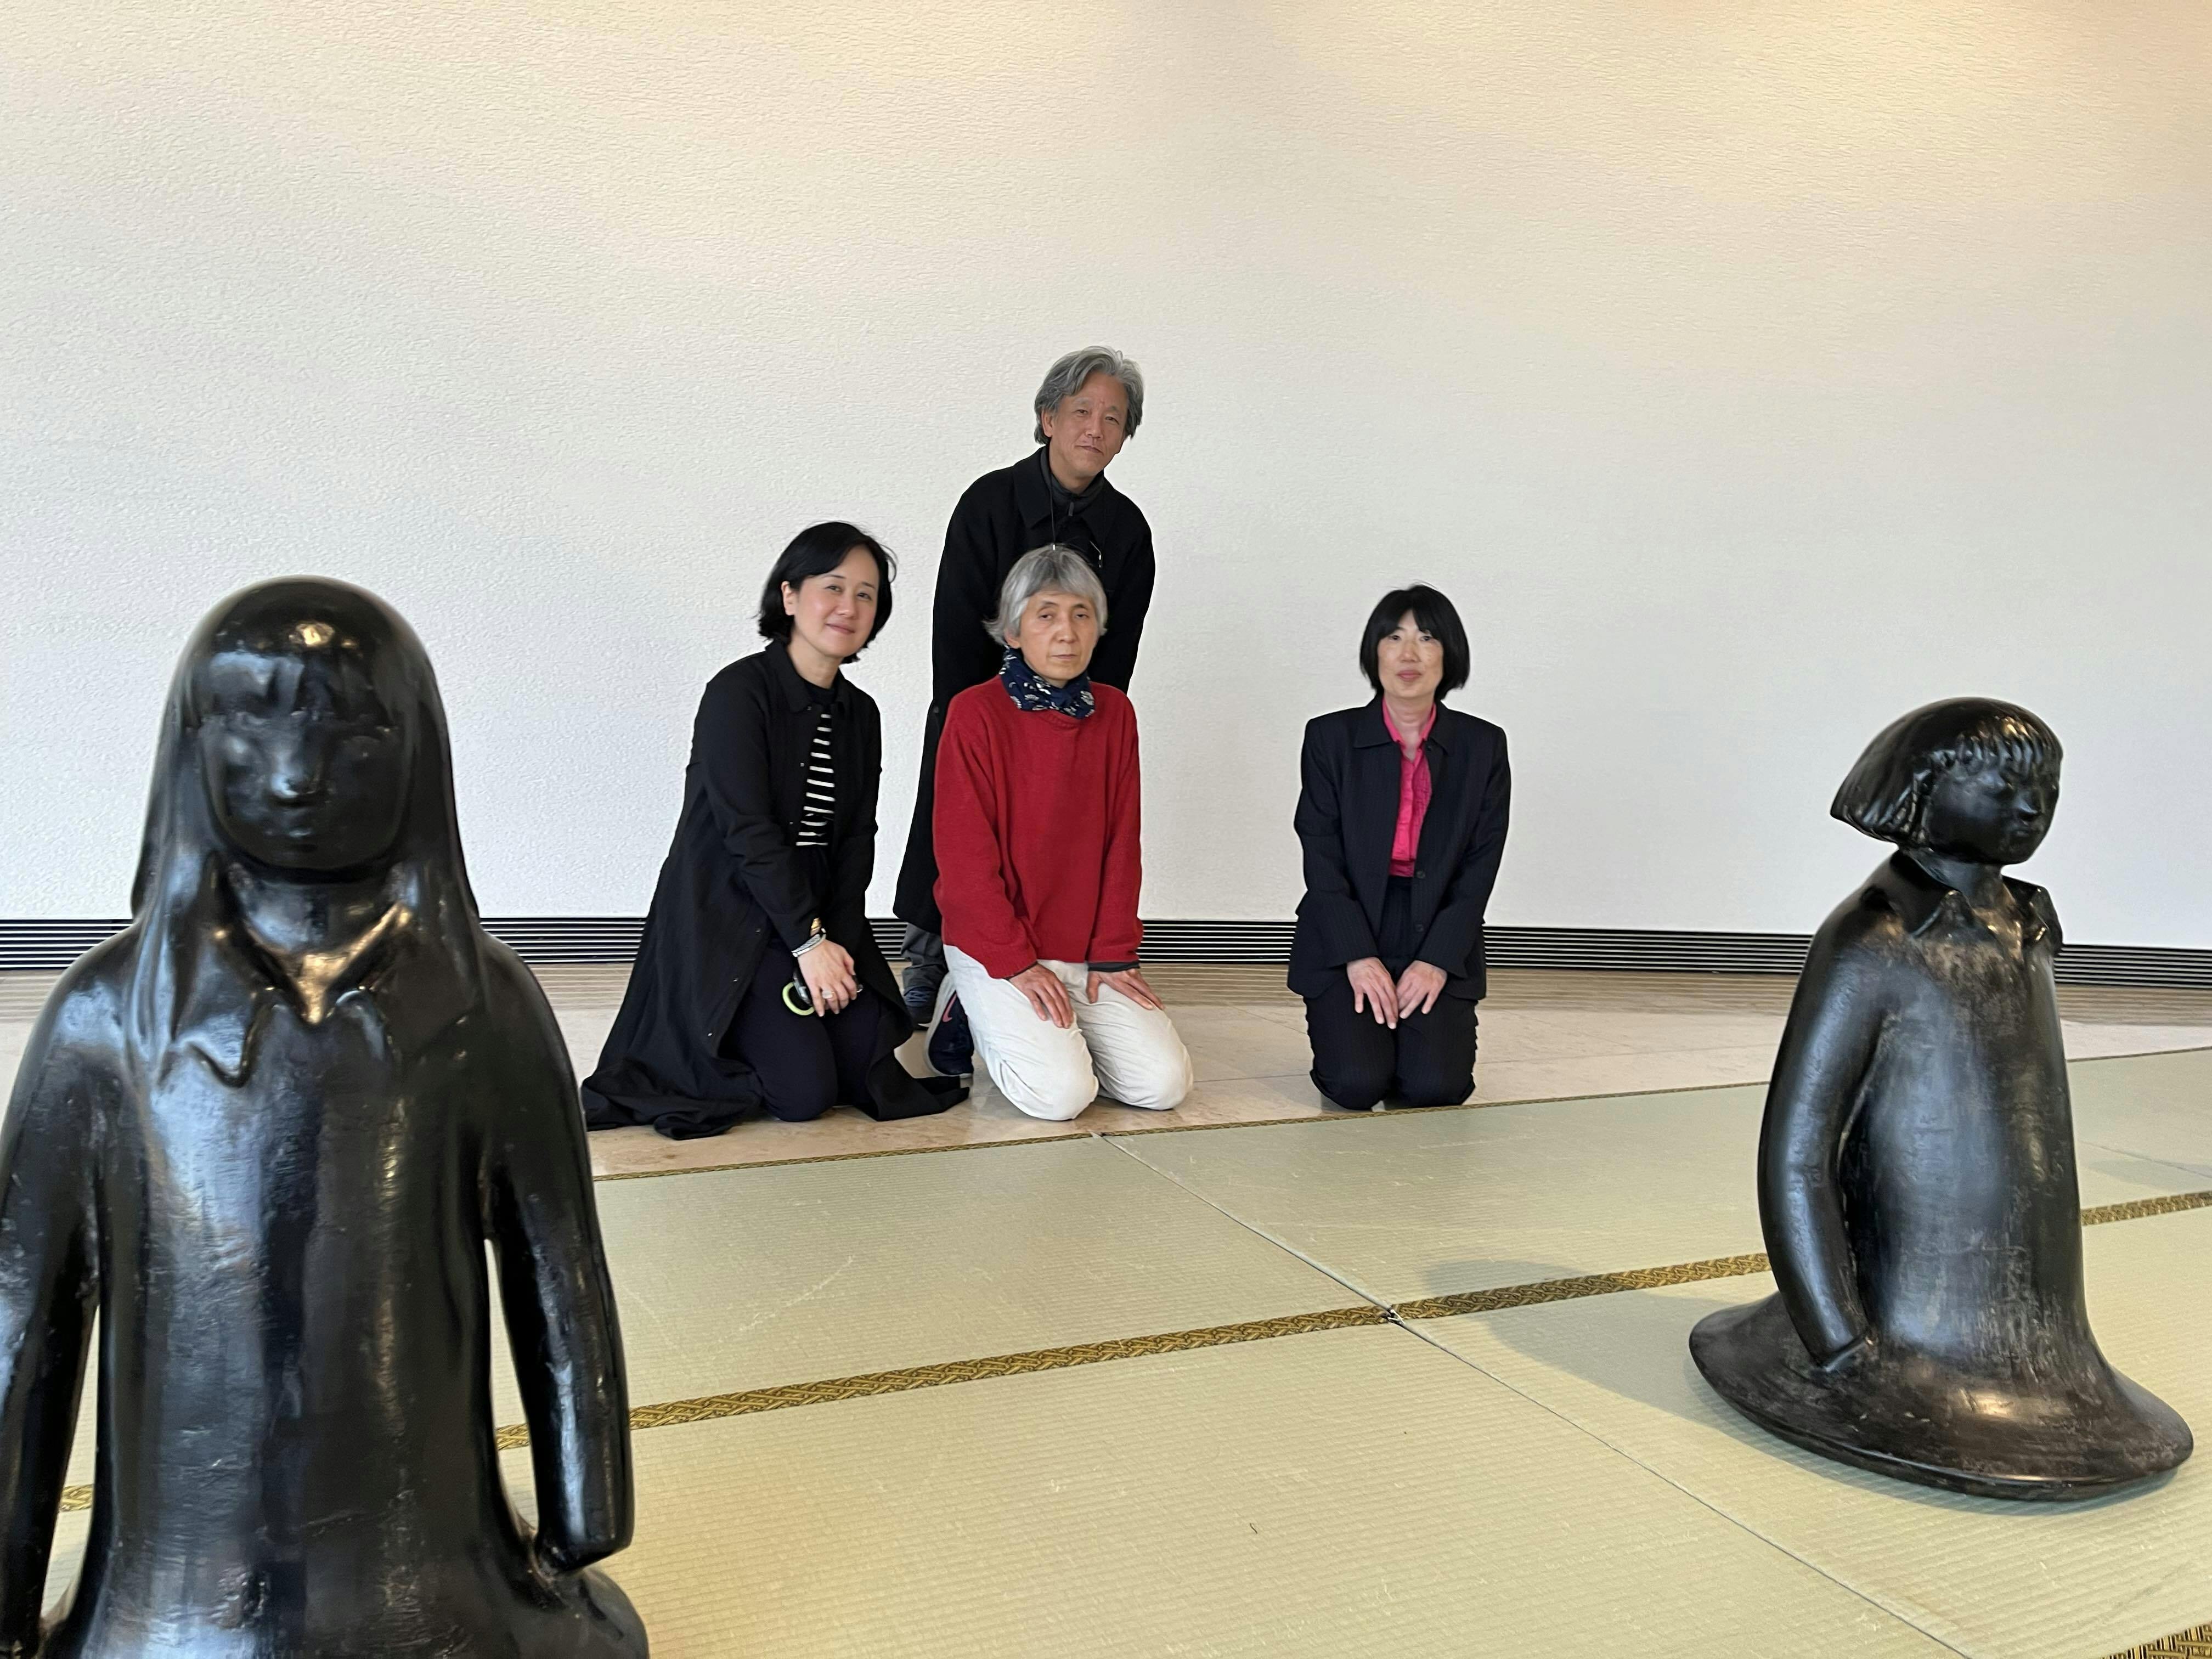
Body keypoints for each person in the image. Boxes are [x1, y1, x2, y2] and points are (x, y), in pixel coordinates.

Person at [0, 578, 645, 1654]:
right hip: (171, 1602)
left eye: (355, 733)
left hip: (440, 1581)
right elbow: (23, 1310)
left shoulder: (482, 1006)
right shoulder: (105, 1021)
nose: (298, 772)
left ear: (417, 754)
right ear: (191, 747)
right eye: (252, 723)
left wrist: (589, 1514)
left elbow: (559, 1269)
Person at [583, 524, 956, 1138]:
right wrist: (809, 946)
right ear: (789, 595)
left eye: (866, 595)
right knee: (804, 1094)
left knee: (863, 1058)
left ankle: (786, 1021)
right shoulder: (738, 692)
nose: (849, 606)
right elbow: (748, 833)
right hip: (734, 910)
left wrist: (837, 943)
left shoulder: (861, 713)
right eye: (832, 587)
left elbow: (856, 837)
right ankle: (741, 1034)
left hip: (815, 909)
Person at [894, 347, 1158, 1056]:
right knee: (958, 836)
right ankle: (934, 962)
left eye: (1113, 418)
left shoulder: (1128, 531)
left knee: (1063, 841)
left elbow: (1117, 648)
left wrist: (1084, 723)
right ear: (1047, 418)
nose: (1095, 429)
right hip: (980, 708)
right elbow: (957, 626)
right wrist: (978, 716)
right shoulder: (989, 502)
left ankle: (1049, 963)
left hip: (1074, 717)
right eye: (1081, 411)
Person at [933, 544, 1192, 1121]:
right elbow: (965, 858)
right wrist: (1014, 962)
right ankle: (966, 999)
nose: (1067, 633)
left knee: (1164, 1086)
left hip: (1085, 949)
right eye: (1046, 615)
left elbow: (1122, 842)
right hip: (999, 944)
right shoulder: (975, 713)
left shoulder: (1115, 713)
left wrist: (1114, 955)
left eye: (1081, 615)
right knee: (1061, 1097)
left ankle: (1058, 1031)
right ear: (1013, 631)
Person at [1289, 585, 1510, 1110]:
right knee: (1357, 1084)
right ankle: (1367, 1043)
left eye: (1427, 638)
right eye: (1394, 638)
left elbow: (1480, 867)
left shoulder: (1483, 746)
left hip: (1435, 924)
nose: (1409, 654)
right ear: (1375, 652)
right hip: (1350, 922)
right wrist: (1358, 955)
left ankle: (1407, 1043)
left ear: (1450, 654)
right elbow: (1321, 857)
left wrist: (1436, 960)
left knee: (1435, 1088)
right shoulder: (1330, 738)